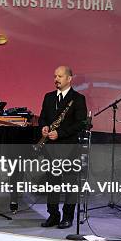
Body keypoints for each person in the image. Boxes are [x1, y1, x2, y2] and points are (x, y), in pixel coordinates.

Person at [38, 66, 87, 229]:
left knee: (70, 184)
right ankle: (53, 215)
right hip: (51, 147)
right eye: (54, 76)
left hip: (69, 147)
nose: (56, 79)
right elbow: (43, 117)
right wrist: (44, 127)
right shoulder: (48, 97)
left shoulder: (78, 98)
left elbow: (80, 123)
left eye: (60, 76)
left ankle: (67, 217)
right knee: (52, 183)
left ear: (69, 78)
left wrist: (60, 133)